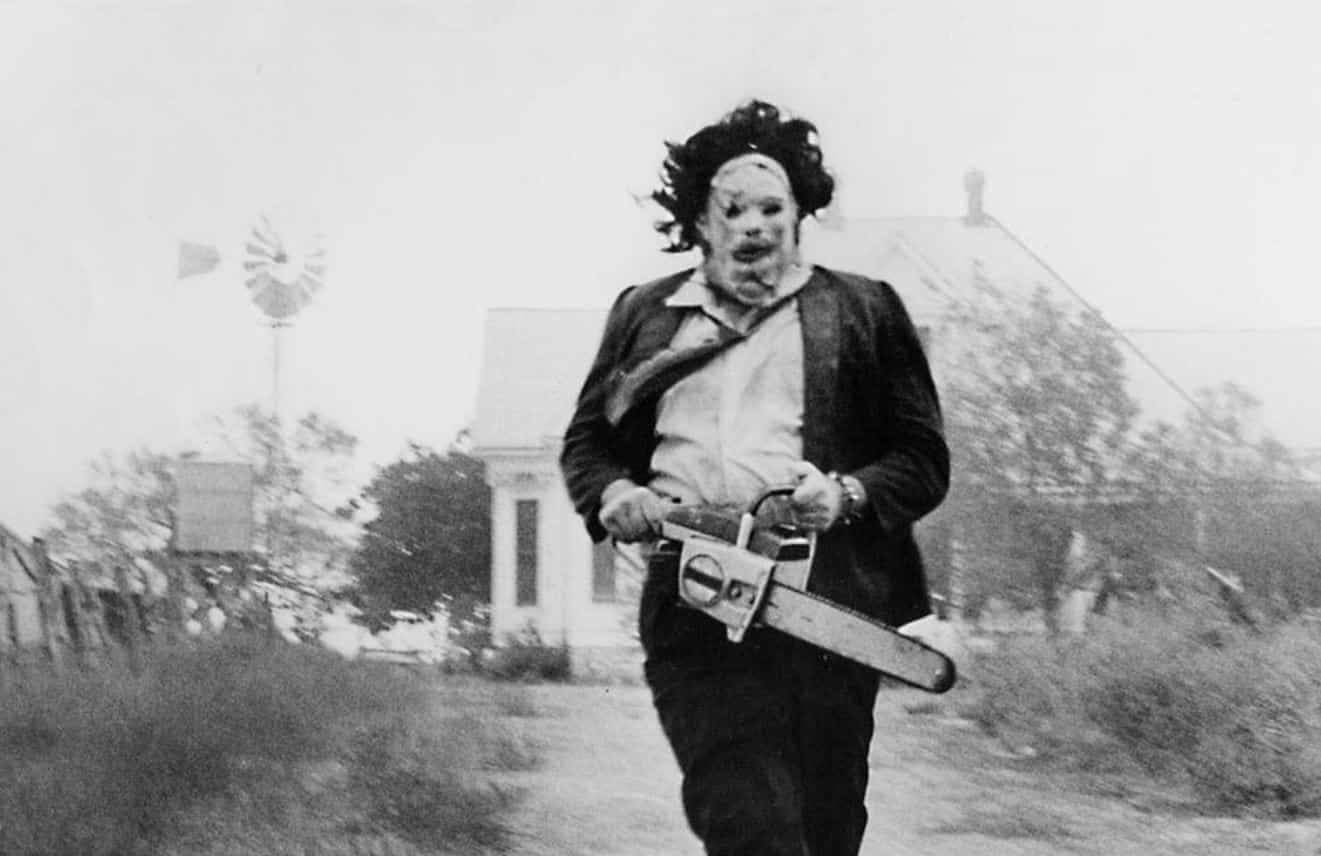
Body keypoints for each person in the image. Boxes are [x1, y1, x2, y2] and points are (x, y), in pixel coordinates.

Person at [560, 100, 949, 856]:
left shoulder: (863, 311)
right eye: (732, 209)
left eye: (771, 207)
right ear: (700, 224)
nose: (754, 226)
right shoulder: (647, 315)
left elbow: (922, 459)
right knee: (750, 825)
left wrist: (844, 494)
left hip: (824, 605)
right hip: (693, 592)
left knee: (825, 831)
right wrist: (615, 493)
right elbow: (589, 442)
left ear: (799, 214)